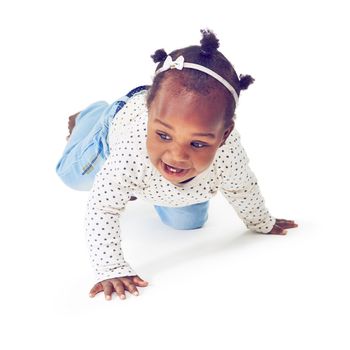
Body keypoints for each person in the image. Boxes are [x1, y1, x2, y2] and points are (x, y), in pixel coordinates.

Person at [56, 29, 298, 301]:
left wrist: (262, 223)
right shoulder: (129, 150)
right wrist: (111, 268)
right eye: (164, 135)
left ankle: (146, 179)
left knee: (188, 224)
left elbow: (241, 188)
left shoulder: (228, 152)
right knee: (71, 176)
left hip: (161, 176)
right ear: (149, 118)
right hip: (113, 131)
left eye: (197, 144)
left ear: (223, 135)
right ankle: (90, 117)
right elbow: (103, 207)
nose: (177, 156)